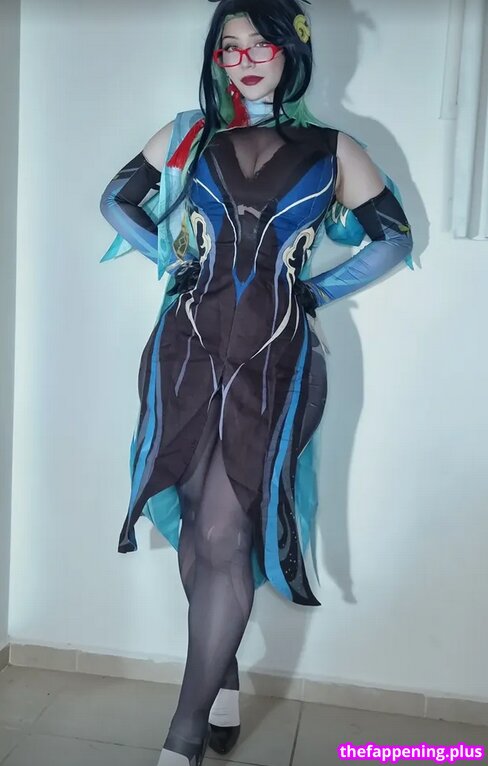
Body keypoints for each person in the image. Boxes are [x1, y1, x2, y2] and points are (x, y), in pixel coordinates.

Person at [99, 0, 413, 763]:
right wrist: (173, 260)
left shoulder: (334, 149)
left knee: (224, 530)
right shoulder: (190, 136)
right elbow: (116, 200)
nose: (243, 60)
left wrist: (315, 291)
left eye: (259, 43)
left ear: (291, 50)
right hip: (186, 350)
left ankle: (180, 742)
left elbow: (393, 239)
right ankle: (223, 675)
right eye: (229, 47)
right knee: (194, 521)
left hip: (274, 362)